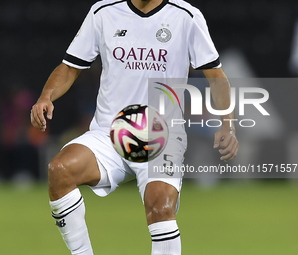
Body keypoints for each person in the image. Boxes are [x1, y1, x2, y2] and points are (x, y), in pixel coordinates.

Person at [30, 0, 239, 254]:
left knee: (160, 207)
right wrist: (46, 96)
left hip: (162, 137)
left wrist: (228, 125)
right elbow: (70, 66)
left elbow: (217, 77)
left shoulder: (186, 16)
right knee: (59, 170)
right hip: (109, 133)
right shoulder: (103, 12)